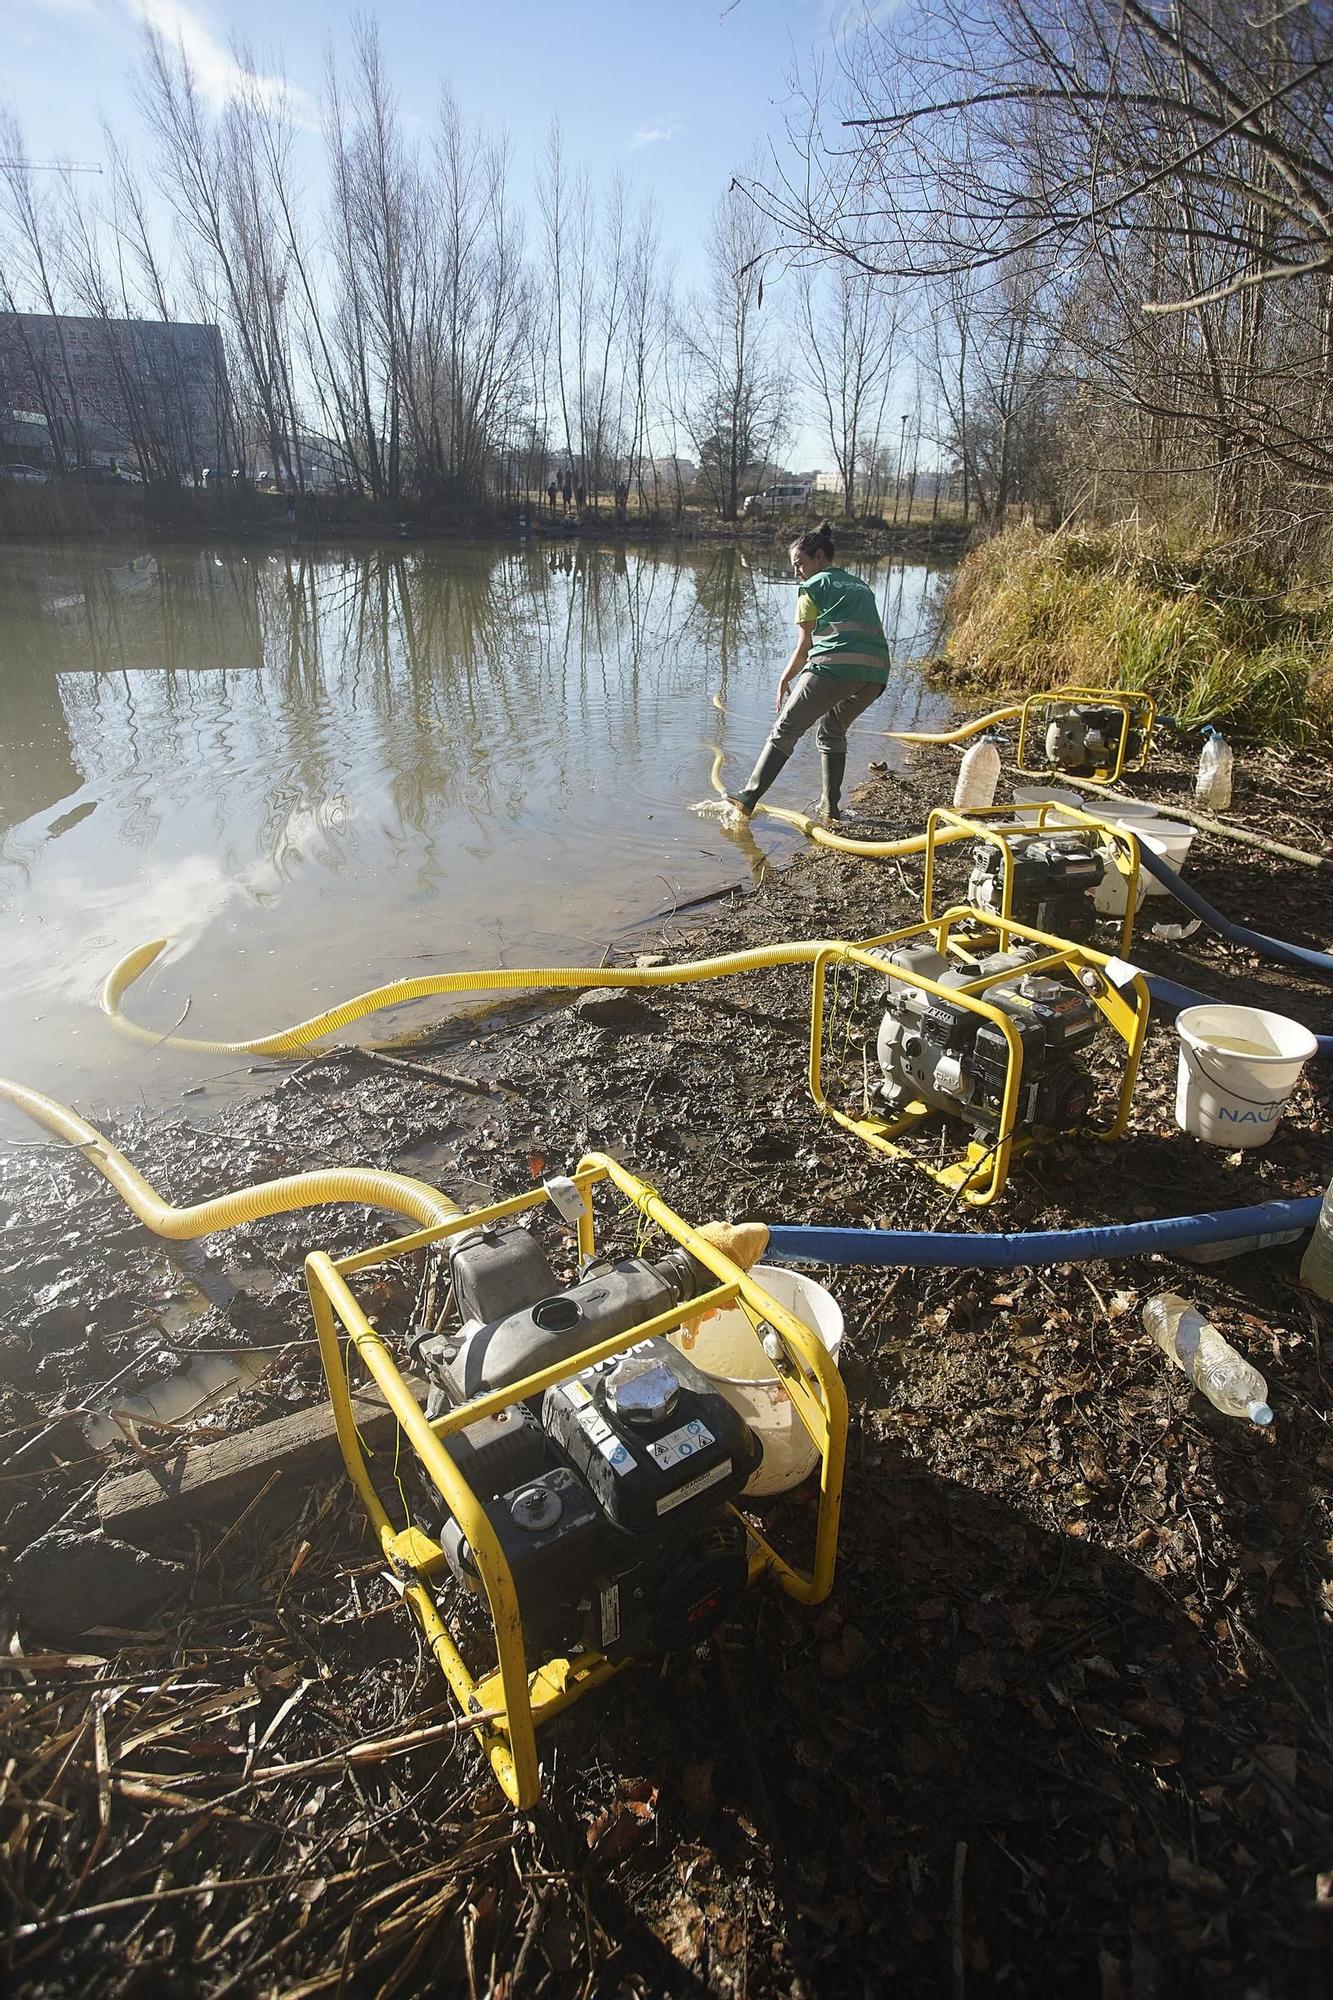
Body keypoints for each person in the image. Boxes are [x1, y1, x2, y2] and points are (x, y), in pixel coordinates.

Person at [727, 521, 891, 823]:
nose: (796, 572)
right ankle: (830, 809)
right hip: (876, 674)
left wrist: (783, 678)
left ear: (819, 557)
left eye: (799, 563)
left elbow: (804, 647)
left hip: (834, 667)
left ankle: (747, 797)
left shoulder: (812, 587)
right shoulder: (860, 584)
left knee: (785, 729)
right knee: (832, 731)